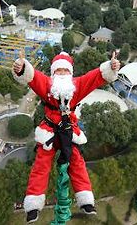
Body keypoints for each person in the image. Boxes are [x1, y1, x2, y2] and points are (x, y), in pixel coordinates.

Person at [12, 51, 120, 223]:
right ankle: (33, 205)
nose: (62, 73)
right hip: (50, 130)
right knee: (41, 164)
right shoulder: (47, 84)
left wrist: (111, 67)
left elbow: (96, 77)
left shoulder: (77, 86)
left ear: (70, 73)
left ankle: (85, 200)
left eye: (65, 71)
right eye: (59, 71)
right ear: (53, 73)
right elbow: (32, 77)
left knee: (77, 162)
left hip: (68, 129)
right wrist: (22, 68)